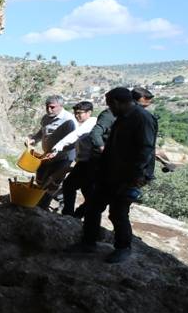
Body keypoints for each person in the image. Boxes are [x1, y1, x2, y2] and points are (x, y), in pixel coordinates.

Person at [67, 87, 156, 264]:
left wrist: (135, 176)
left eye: (110, 105)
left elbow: (146, 149)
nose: (109, 109)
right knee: (93, 207)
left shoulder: (141, 118)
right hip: (110, 171)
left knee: (118, 213)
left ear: (116, 102)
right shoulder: (122, 117)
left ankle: (123, 248)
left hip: (128, 175)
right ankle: (88, 243)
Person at [25, 95, 76, 208]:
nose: (49, 109)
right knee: (40, 178)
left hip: (63, 157)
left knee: (53, 181)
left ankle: (43, 206)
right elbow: (42, 132)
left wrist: (57, 151)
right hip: (47, 155)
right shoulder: (46, 118)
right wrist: (33, 139)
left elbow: (73, 142)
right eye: (47, 106)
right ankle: (57, 196)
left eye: (52, 107)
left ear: (61, 106)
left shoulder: (69, 121)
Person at [58, 101, 98, 216]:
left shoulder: (91, 122)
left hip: (88, 163)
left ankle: (70, 214)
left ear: (89, 112)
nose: (77, 115)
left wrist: (58, 146)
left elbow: (76, 135)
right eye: (75, 113)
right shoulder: (86, 124)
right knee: (87, 191)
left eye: (80, 113)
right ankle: (75, 215)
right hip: (85, 162)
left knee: (69, 186)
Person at [132, 86, 175, 172]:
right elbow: (147, 145)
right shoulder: (144, 116)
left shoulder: (124, 112)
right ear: (141, 98)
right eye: (147, 98)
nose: (150, 100)